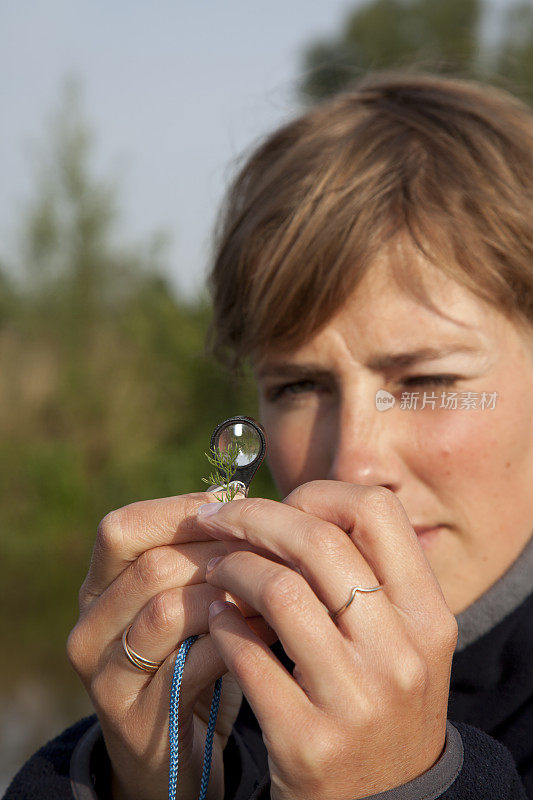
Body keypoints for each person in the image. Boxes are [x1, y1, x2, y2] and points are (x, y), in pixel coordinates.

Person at [5, 71, 533, 800]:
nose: (352, 459)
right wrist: (137, 778)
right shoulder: (225, 680)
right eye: (298, 387)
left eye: (425, 381)